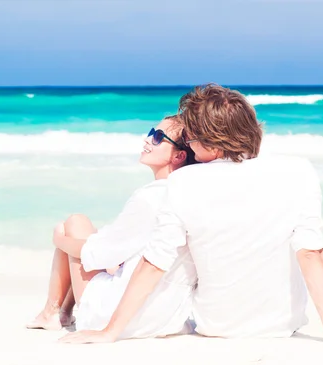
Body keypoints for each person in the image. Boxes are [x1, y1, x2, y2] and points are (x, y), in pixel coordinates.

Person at [60, 84, 323, 349]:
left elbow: (155, 263)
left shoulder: (184, 182)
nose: (193, 150)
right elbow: (311, 253)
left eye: (194, 140)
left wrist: (109, 332)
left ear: (211, 141)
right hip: (283, 324)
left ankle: (55, 310)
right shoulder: (298, 171)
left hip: (218, 325)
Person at [27, 116, 198, 339]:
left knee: (73, 224)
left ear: (179, 155)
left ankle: (52, 312)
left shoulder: (150, 197)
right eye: (150, 133)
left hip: (115, 315)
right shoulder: (190, 195)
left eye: (158, 138)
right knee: (90, 241)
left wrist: (59, 240)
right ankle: (61, 314)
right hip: (167, 319)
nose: (147, 140)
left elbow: (98, 253)